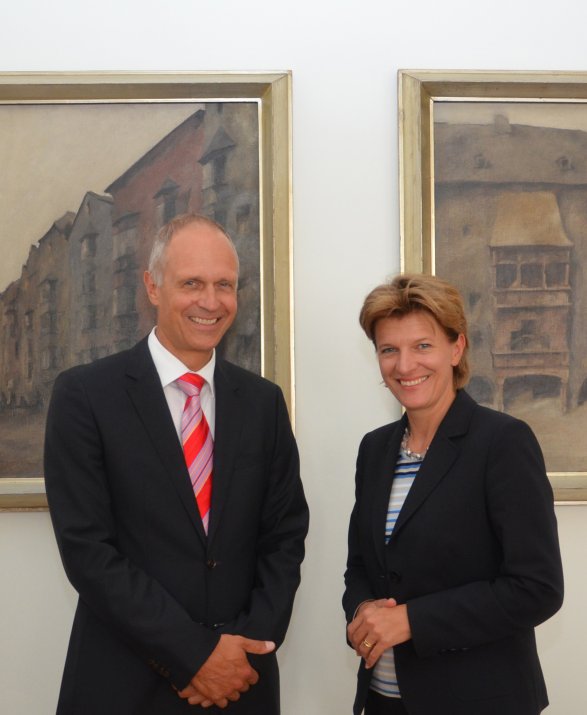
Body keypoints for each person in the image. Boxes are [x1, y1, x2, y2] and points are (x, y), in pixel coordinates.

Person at [44, 213, 309, 714]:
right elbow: (87, 551)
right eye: (192, 283)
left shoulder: (263, 403)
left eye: (224, 285)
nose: (211, 301)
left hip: (241, 684)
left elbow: (284, 538)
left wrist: (241, 654)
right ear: (153, 287)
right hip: (124, 685)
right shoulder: (86, 396)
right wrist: (194, 656)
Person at [343, 273, 563, 715]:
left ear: (456, 348)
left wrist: (411, 620)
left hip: (479, 702)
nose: (405, 365)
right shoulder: (375, 449)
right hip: (384, 700)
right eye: (389, 350)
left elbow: (537, 587)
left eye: (422, 346)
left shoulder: (503, 442)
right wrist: (364, 610)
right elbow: (362, 566)